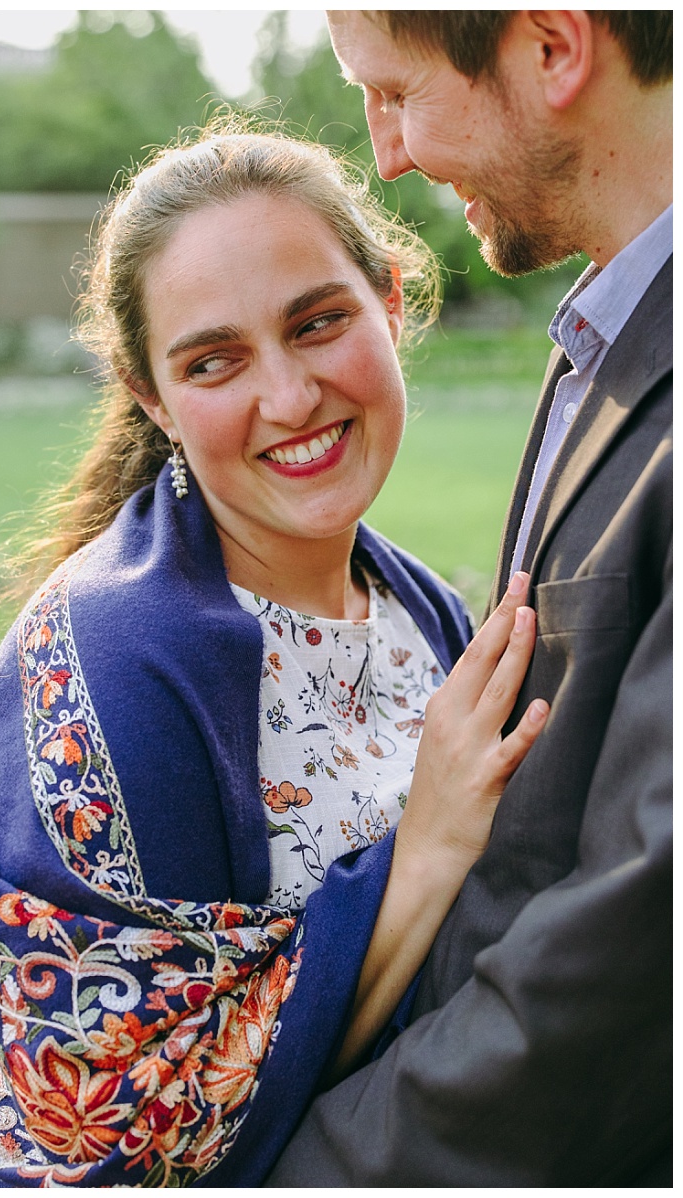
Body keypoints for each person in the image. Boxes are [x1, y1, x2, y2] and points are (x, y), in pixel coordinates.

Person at [0, 124, 556, 1186]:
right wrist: (428, 845)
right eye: (213, 361)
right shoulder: (110, 668)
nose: (289, 397)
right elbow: (122, 1124)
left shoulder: (425, 610)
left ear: (389, 305)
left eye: (317, 324)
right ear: (150, 396)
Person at [267, 12, 671, 1184]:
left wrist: (313, 1166)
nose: (383, 152)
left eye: (394, 93)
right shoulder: (605, 326)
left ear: (551, 48)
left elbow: (636, 942)